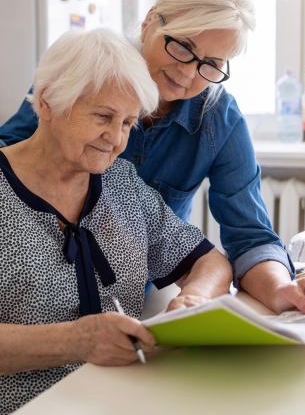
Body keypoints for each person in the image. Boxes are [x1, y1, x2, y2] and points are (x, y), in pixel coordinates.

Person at [0, 0, 305, 317]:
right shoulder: (89, 72)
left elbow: (249, 237)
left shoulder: (218, 120)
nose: (189, 73)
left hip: (135, 295)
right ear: (150, 22)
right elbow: (13, 160)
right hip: (35, 297)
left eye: (210, 65)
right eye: (183, 47)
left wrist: (281, 289)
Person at [0, 29, 232, 415]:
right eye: (103, 117)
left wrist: (195, 300)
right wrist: (75, 341)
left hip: (128, 401)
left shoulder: (121, 183)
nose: (115, 139)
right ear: (47, 103)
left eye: (127, 123)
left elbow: (210, 261)